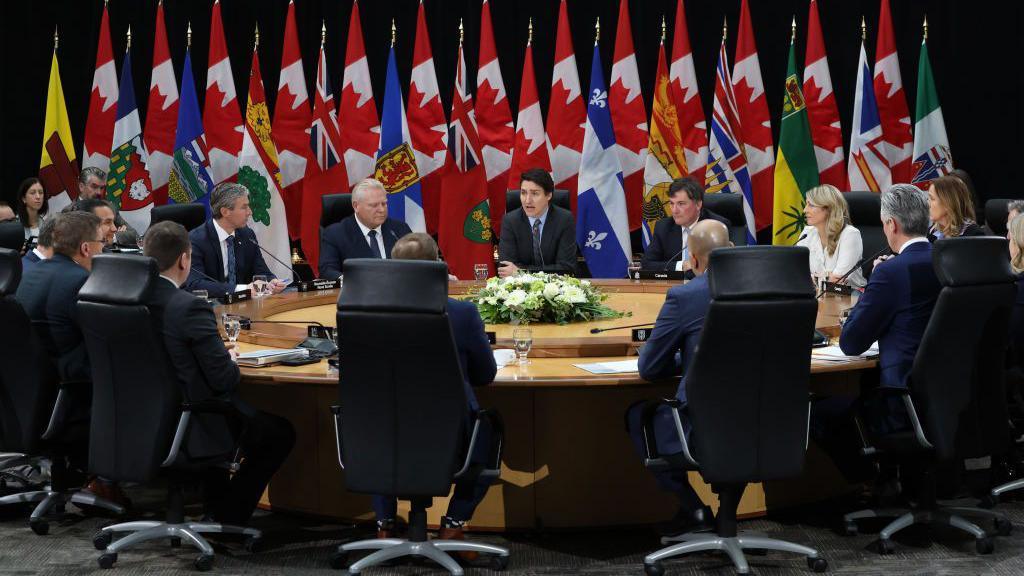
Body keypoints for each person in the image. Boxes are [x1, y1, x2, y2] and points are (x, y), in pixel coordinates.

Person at [143, 221, 295, 525]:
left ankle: (217, 505)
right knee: (278, 433)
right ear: (185, 259)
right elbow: (225, 379)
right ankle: (229, 516)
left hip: (143, 414)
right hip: (193, 417)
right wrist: (230, 358)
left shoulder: (130, 297)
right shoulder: (188, 307)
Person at [373, 232, 498, 554]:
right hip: (450, 441)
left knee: (380, 424)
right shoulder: (462, 314)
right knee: (491, 428)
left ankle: (385, 524)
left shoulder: (367, 313)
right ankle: (453, 525)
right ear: (438, 268)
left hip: (382, 440)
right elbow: (486, 374)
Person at [812, 184, 942, 489]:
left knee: (819, 413)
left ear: (891, 225)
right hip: (948, 393)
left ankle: (871, 483)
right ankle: (898, 482)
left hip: (901, 398)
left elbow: (852, 342)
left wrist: (874, 287)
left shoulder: (891, 272)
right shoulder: (947, 258)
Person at [625, 220, 733, 536]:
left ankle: (693, 508)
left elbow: (649, 368)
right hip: (763, 422)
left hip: (703, 428)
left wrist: (680, 358)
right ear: (729, 251)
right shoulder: (761, 284)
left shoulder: (684, 297)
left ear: (693, 261)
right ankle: (727, 514)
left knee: (638, 415)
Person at [15, 211, 104, 384]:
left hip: (29, 378)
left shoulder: (32, 273)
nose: (104, 249)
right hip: (71, 383)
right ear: (85, 248)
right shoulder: (82, 281)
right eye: (102, 242)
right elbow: (100, 337)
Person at [185, 182, 286, 296]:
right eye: (244, 207)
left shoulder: (247, 235)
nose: (250, 212)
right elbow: (195, 284)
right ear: (225, 212)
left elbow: (261, 271)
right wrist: (241, 289)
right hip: (211, 307)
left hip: (244, 306)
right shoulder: (196, 240)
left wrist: (271, 282)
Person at [318, 178, 413, 279]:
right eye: (374, 205)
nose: (381, 209)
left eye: (384, 204)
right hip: (358, 293)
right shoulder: (336, 234)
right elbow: (326, 270)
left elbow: (416, 264)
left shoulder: (400, 229)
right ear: (356, 206)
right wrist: (352, 282)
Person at [641, 176, 731, 275]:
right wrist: (682, 265)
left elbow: (725, 265)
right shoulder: (664, 227)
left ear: (698, 204)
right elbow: (647, 264)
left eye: (681, 204)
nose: (674, 210)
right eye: (671, 203)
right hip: (673, 287)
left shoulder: (716, 226)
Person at [497, 168, 577, 277]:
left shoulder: (564, 219)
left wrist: (522, 272)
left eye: (535, 193)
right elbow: (506, 269)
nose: (527, 200)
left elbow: (566, 268)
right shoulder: (510, 221)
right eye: (523, 193)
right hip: (518, 290)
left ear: (548, 195)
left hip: (557, 288)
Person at [797, 184, 866, 288]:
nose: (805, 210)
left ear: (829, 208)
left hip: (849, 298)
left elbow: (837, 280)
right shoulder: (807, 233)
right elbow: (796, 273)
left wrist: (811, 278)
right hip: (816, 295)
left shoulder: (850, 235)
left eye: (811, 205)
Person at [77, 167, 137, 238]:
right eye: (94, 187)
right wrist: (109, 236)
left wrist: (114, 237)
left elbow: (134, 234)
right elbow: (78, 239)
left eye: (102, 188)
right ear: (81, 187)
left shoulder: (109, 208)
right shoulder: (69, 211)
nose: (99, 192)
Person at [928, 175, 984, 240]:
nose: (927, 204)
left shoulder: (974, 235)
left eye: (932, 198)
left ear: (948, 203)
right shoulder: (931, 233)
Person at [15, 177, 48, 241]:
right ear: (23, 198)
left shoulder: (46, 224)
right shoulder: (15, 225)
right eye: (33, 193)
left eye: (41, 192)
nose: (38, 197)